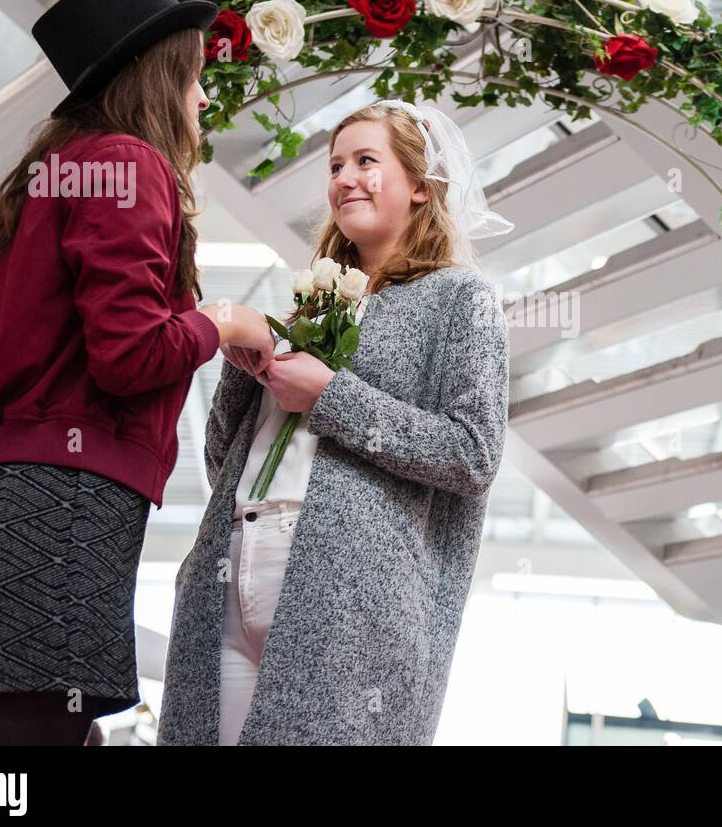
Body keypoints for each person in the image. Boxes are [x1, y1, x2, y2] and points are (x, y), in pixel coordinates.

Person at [0, 0, 274, 746]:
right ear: (159, 78)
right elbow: (131, 353)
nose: (204, 98)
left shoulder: (35, 181)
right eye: (196, 76)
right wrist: (226, 320)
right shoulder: (129, 166)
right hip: (49, 519)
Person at [157, 99, 513, 745]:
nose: (345, 177)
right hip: (229, 561)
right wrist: (245, 367)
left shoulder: (461, 298)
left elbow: (473, 453)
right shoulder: (309, 300)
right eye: (336, 165)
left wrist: (331, 396)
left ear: (419, 186)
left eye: (367, 161)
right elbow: (220, 466)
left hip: (343, 593)